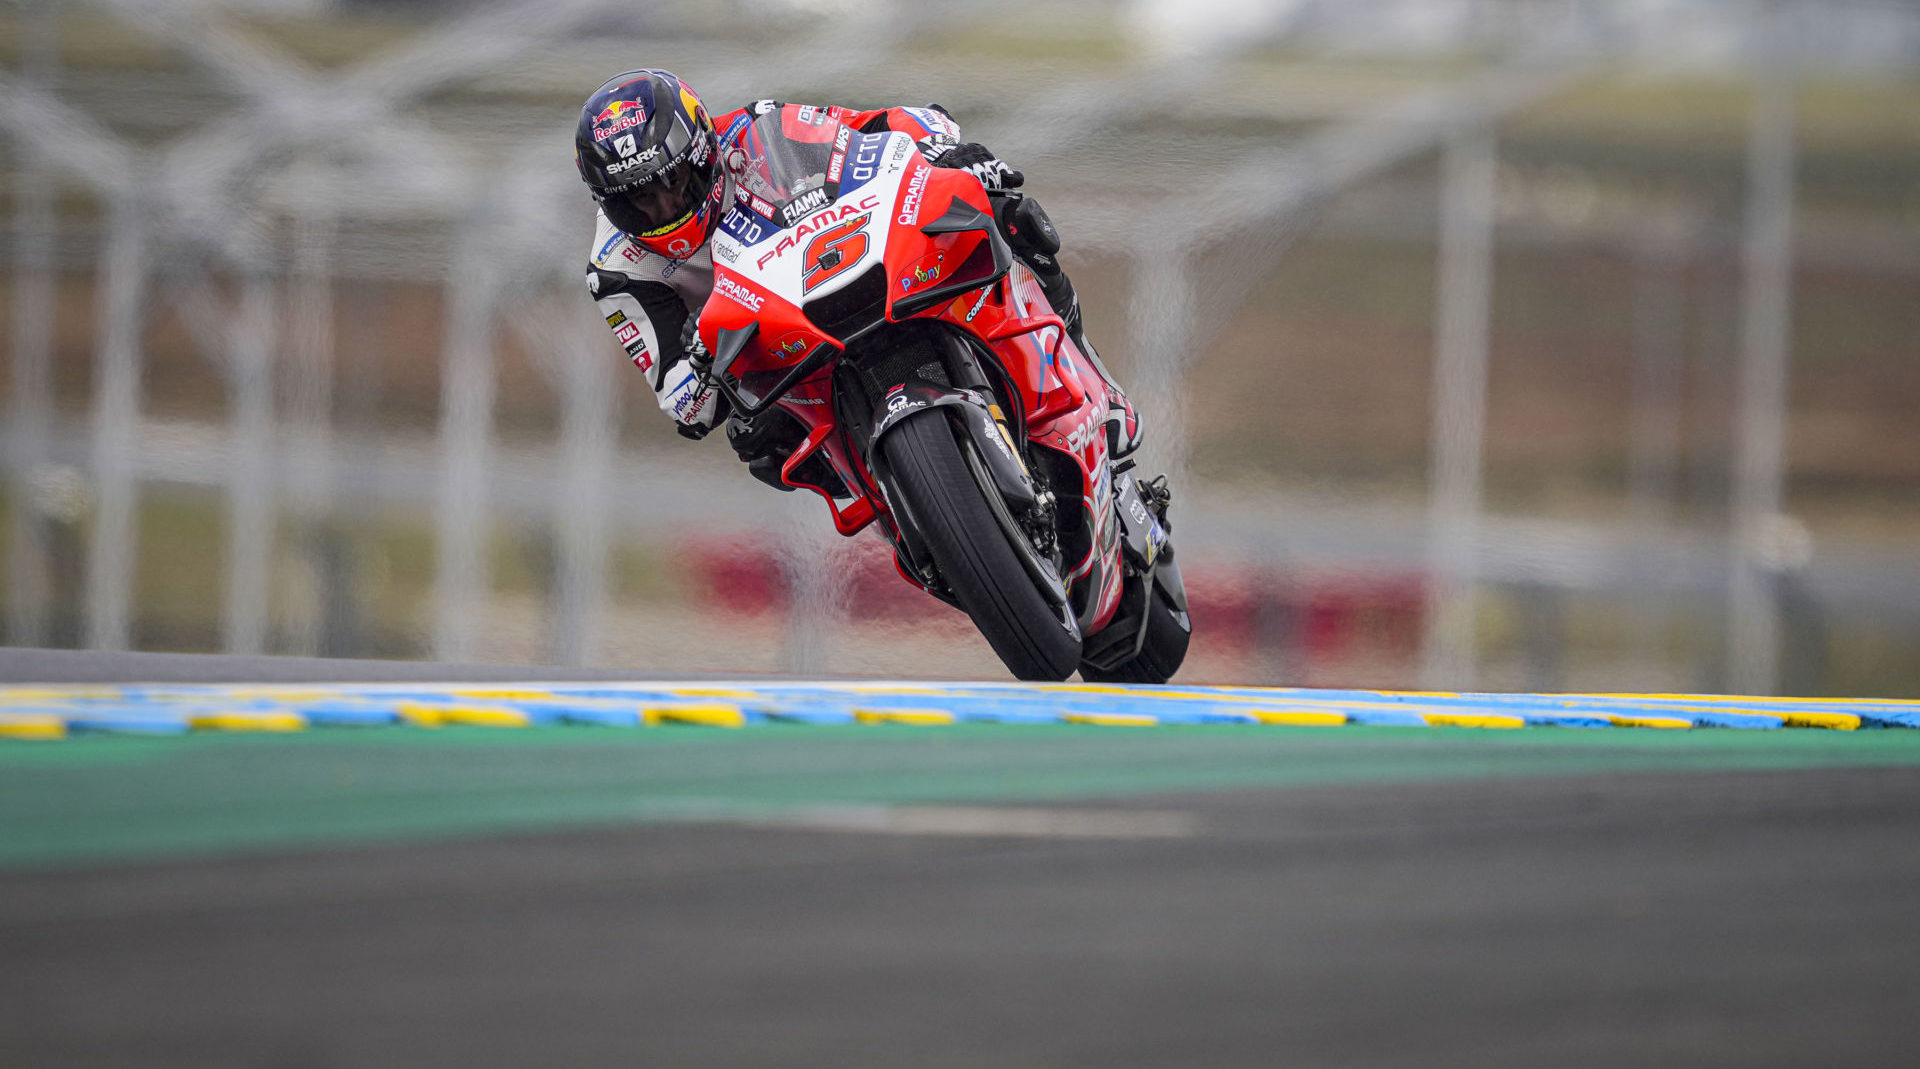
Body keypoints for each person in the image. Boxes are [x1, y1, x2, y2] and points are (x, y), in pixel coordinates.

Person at [574, 68, 1141, 470]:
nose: (661, 210)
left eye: (673, 185)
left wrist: (945, 153)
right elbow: (680, 401)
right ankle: (905, 507)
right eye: (637, 202)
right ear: (607, 202)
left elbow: (879, 128)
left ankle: (1089, 378)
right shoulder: (617, 270)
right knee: (757, 442)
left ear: (704, 152)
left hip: (845, 264)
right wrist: (699, 367)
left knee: (1011, 219)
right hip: (768, 350)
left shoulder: (754, 130)